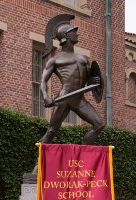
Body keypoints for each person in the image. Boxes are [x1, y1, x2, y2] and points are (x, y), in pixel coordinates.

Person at [41, 15, 104, 144]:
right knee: (52, 130)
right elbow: (43, 81)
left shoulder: (83, 59)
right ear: (66, 37)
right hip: (64, 97)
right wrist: (45, 96)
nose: (77, 34)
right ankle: (40, 162)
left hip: (80, 99)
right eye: (73, 32)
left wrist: (94, 83)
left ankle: (80, 151)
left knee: (99, 125)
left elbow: (89, 79)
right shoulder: (55, 60)